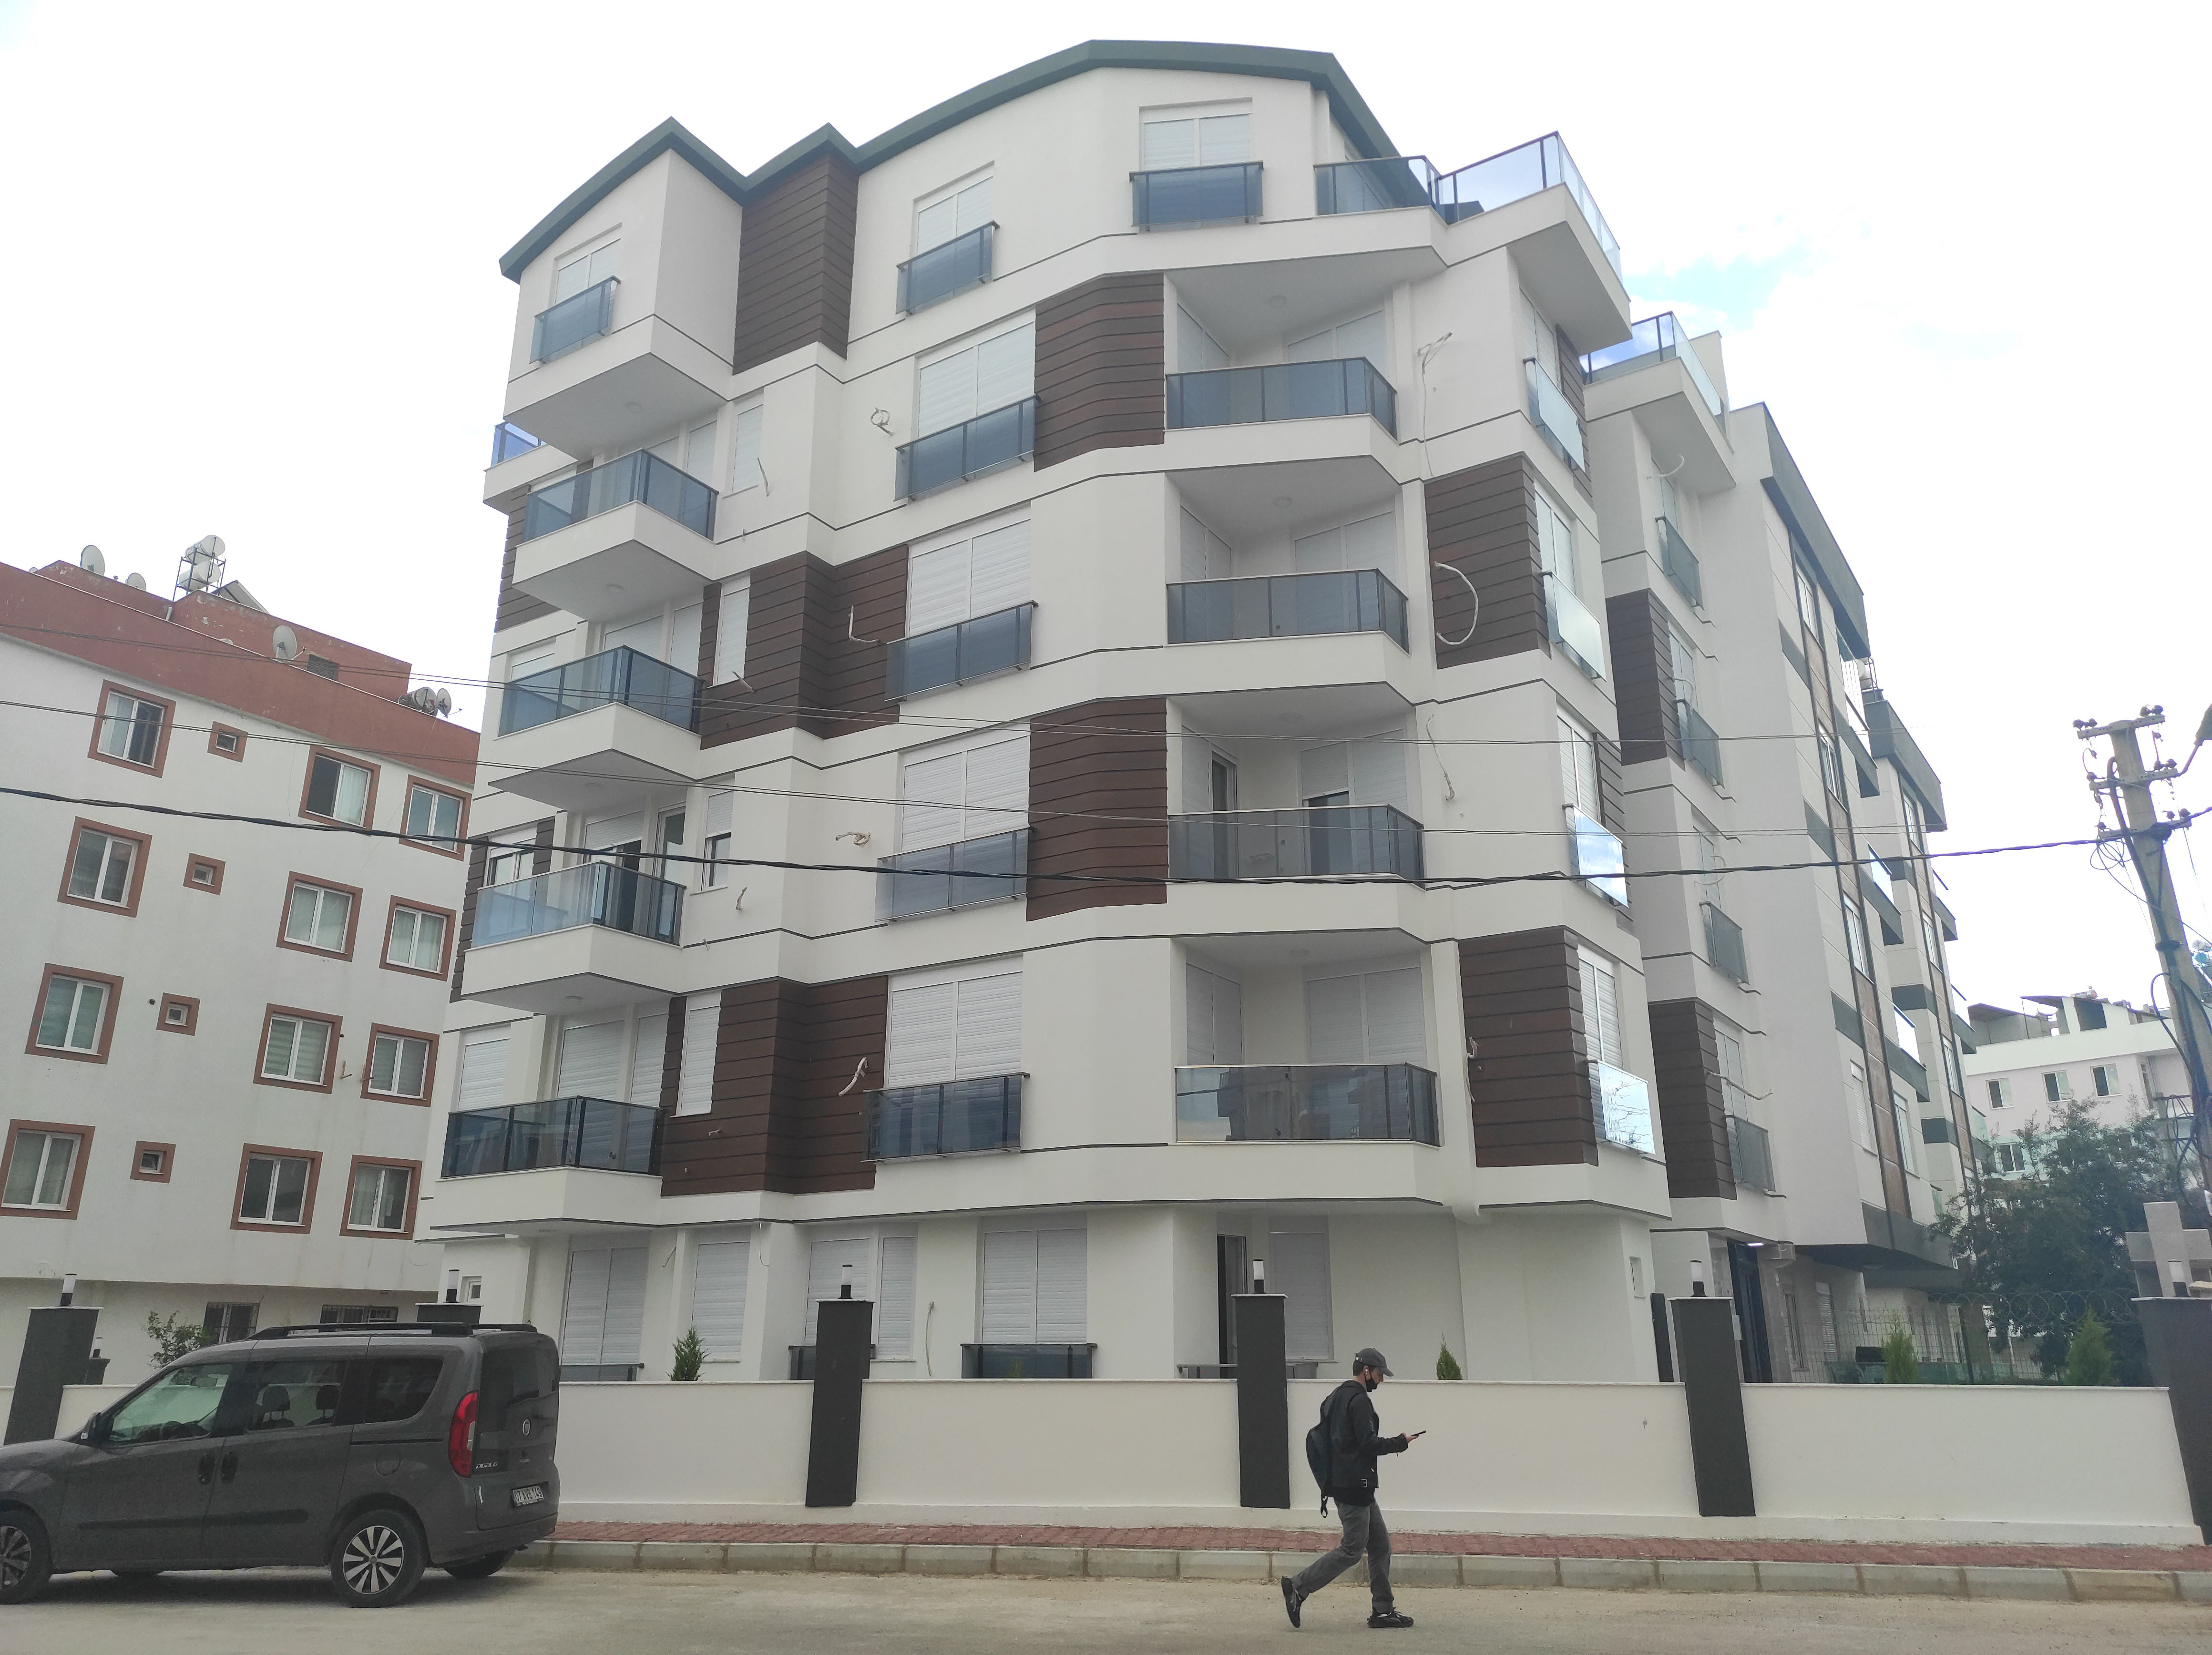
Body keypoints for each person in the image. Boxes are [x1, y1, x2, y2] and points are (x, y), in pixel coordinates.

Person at [1281, 1346, 1422, 1630]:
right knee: (1352, 1550)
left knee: (1380, 1547)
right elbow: (1367, 1444)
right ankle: (1298, 1586)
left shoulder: (1335, 1397)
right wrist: (1400, 1442)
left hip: (1351, 1486)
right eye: (1380, 1374)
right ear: (1366, 1371)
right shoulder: (1359, 1401)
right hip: (1355, 1488)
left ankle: (1383, 1610)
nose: (1382, 1380)